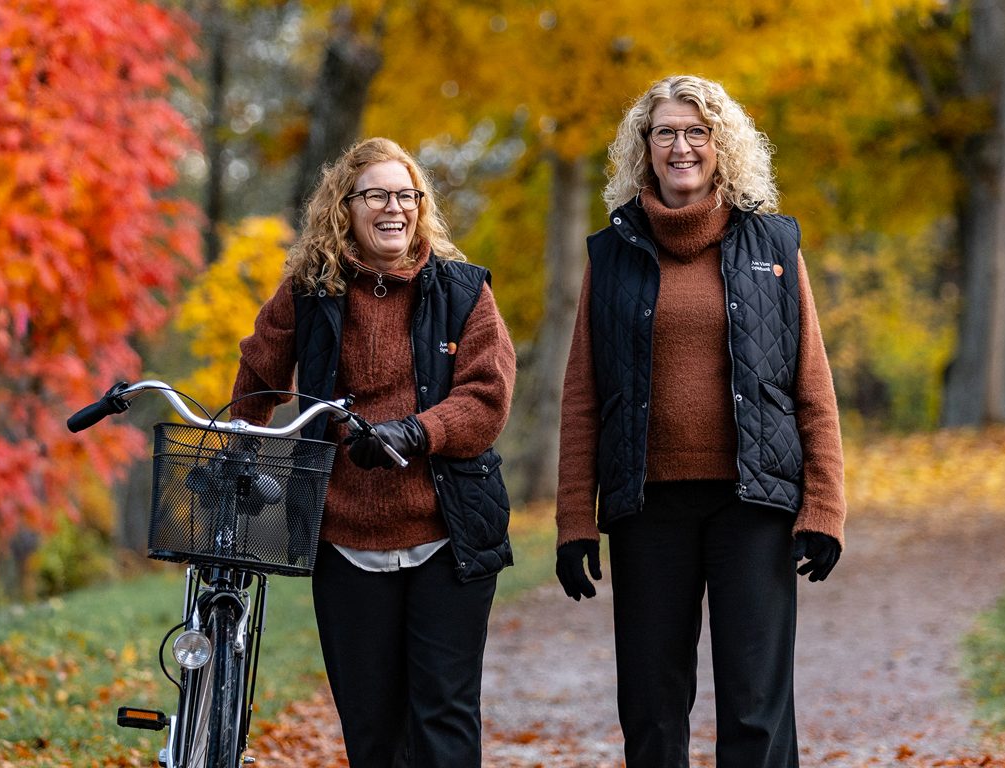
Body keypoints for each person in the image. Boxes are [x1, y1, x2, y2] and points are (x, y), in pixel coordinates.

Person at [554, 75, 847, 767]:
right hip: (647, 506)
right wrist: (573, 521)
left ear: (722, 145)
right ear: (645, 148)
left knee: (755, 707)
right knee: (652, 709)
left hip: (754, 503)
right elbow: (583, 395)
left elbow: (811, 382)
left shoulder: (773, 244)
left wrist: (825, 506)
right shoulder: (611, 254)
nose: (680, 146)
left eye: (697, 132)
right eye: (665, 133)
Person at [231, 137, 517, 768]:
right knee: (371, 730)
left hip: (446, 535)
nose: (395, 208)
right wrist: (241, 445)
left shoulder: (463, 292)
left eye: (406, 195)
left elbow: (487, 399)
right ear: (346, 207)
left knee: (443, 717)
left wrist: (415, 432)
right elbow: (259, 373)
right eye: (377, 196)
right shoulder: (310, 291)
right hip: (344, 538)